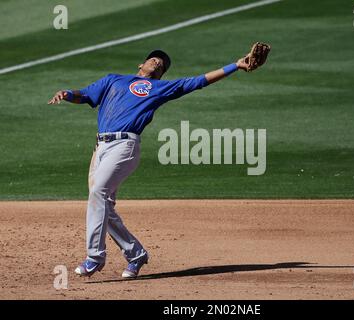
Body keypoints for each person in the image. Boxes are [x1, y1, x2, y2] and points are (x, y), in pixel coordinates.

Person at [48, 49, 253, 278]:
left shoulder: (159, 89)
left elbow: (197, 82)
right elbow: (85, 95)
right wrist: (67, 93)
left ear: (161, 75)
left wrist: (235, 65)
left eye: (162, 65)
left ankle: (94, 258)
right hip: (101, 148)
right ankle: (136, 255)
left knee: (98, 193)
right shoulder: (113, 80)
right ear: (141, 64)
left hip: (125, 146)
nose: (158, 63)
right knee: (103, 205)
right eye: (154, 59)